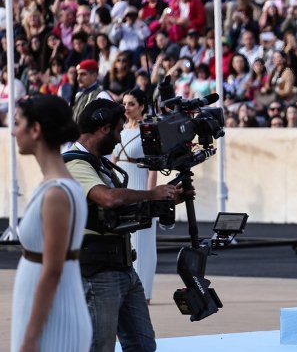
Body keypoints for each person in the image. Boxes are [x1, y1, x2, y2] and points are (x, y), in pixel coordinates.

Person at [67, 99, 183, 352]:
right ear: (103, 129)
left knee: (143, 345)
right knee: (100, 346)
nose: (120, 138)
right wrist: (152, 193)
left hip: (123, 267)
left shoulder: (100, 164)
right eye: (118, 131)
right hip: (98, 271)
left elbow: (122, 211)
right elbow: (109, 199)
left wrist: (167, 198)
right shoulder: (74, 163)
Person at [11, 96, 91, 352]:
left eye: (17, 123)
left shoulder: (56, 193)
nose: (12, 131)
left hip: (53, 320)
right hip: (46, 314)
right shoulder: (55, 186)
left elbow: (53, 270)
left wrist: (31, 337)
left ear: (35, 129)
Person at [112, 89, 157, 303]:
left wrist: (149, 196)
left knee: (143, 245)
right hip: (123, 189)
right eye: (124, 104)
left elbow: (153, 169)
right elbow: (113, 162)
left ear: (141, 106)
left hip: (140, 189)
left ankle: (144, 293)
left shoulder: (148, 131)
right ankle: (128, 291)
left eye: (131, 104)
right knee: (126, 244)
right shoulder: (120, 130)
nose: (126, 108)